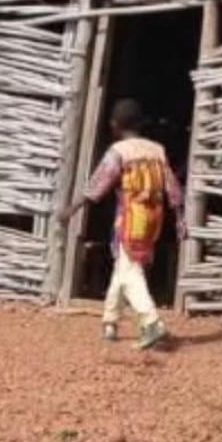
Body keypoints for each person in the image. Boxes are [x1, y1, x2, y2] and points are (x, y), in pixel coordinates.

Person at [57, 99, 186, 349]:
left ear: (114, 124)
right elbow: (173, 188)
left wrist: (73, 208)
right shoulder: (157, 150)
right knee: (124, 266)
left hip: (132, 218)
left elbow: (100, 182)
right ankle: (110, 320)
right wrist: (179, 218)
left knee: (130, 271)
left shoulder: (119, 151)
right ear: (140, 123)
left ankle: (151, 322)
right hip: (154, 218)